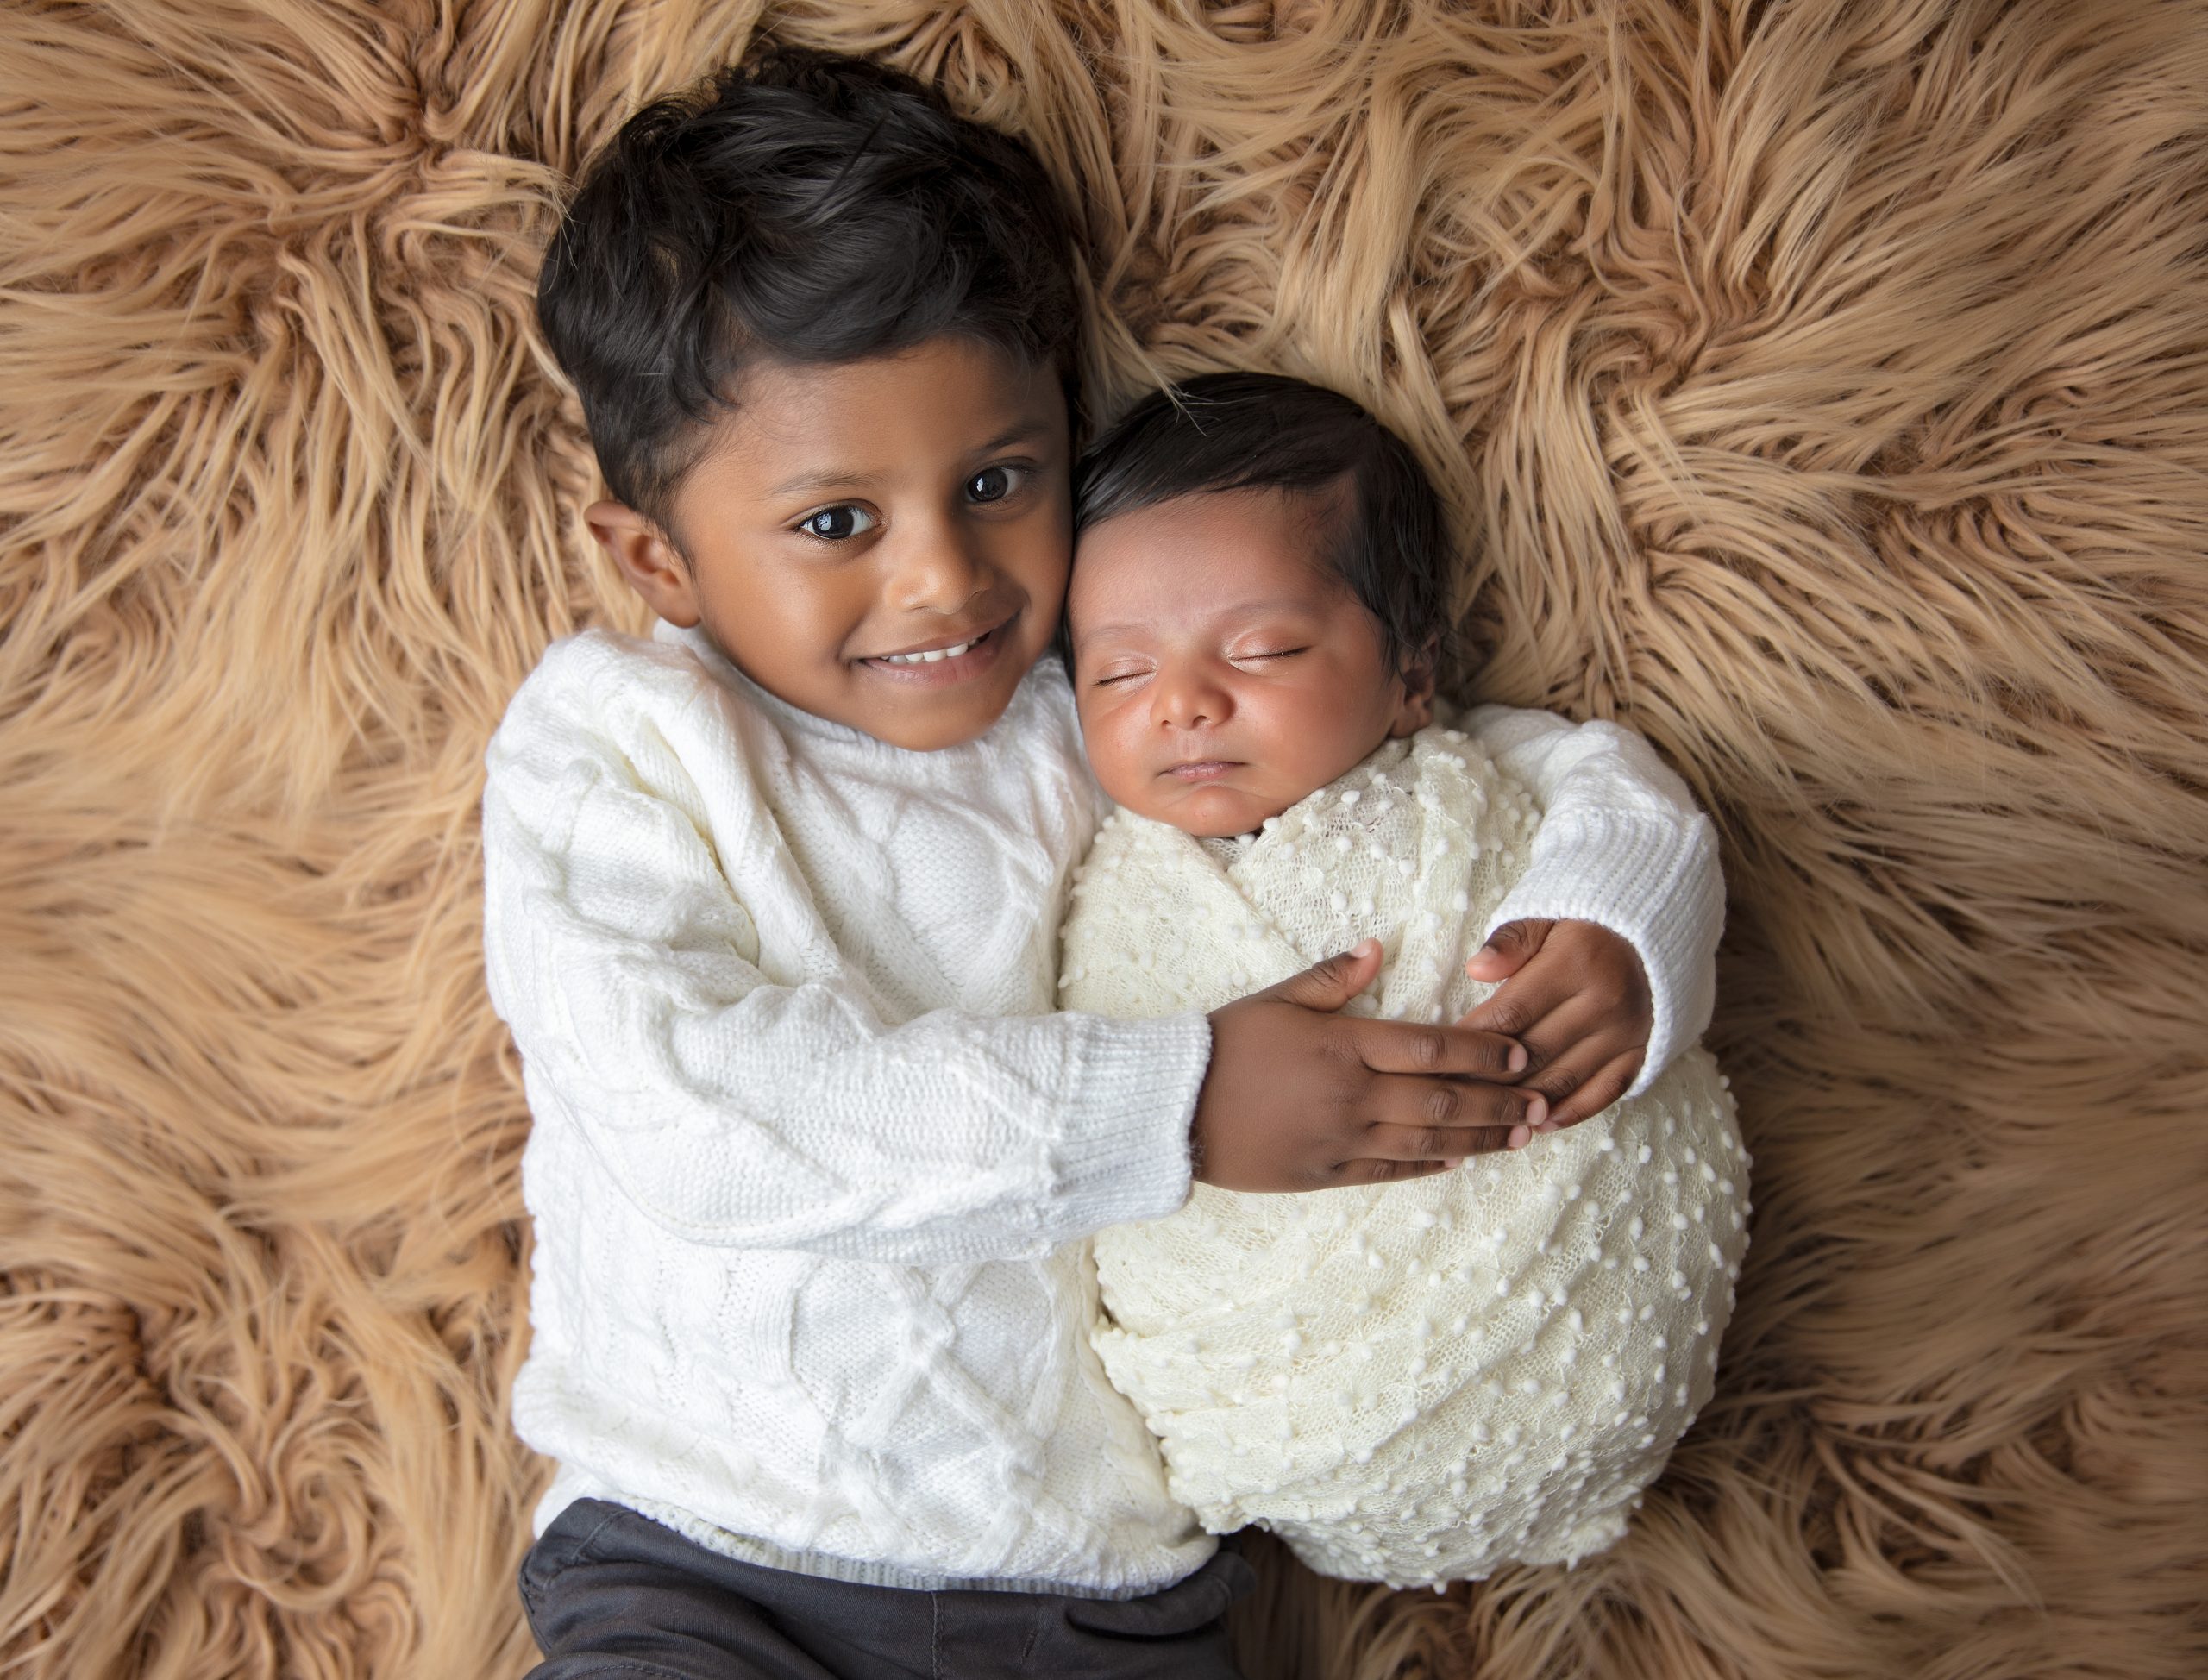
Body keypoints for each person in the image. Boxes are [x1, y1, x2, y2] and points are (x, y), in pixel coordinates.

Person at [480, 46, 1725, 1679]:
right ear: (659, 558)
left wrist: (1616, 916)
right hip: (707, 1541)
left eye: (998, 483)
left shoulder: (1108, 699)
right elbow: (696, 1113)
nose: (946, 579)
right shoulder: (621, 747)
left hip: (1093, 1579)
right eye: (838, 523)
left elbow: (1507, 760)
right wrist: (1179, 1104)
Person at [1059, 372, 1747, 1589]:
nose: (1181, 703)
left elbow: (1625, 797)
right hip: (1269, 1395)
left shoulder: (1472, 762)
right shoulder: (1092, 851)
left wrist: (1617, 927)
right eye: (1117, 673)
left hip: (1556, 1290)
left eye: (1263, 649)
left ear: (1413, 675)